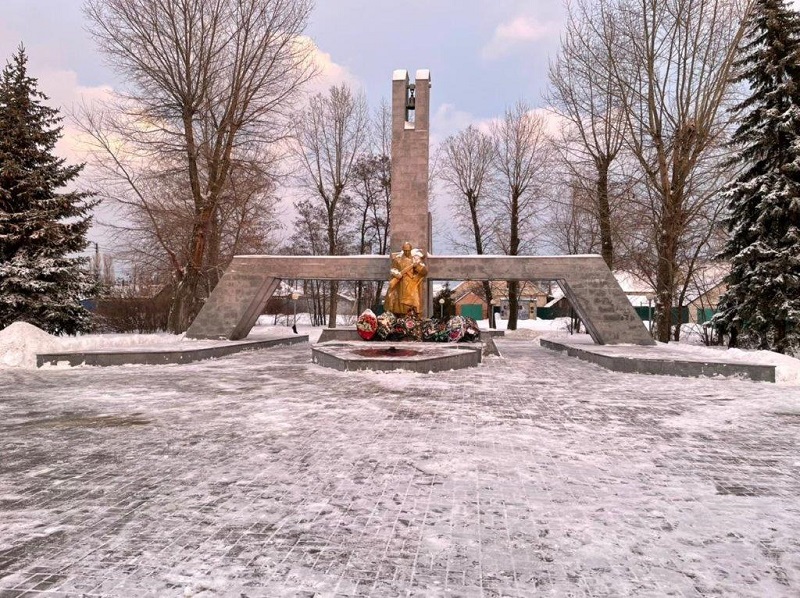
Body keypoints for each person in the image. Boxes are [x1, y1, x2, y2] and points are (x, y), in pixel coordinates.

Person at [384, 242, 427, 316]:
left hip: (413, 284)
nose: (406, 252)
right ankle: (401, 317)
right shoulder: (398, 259)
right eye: (405, 250)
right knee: (401, 303)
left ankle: (413, 316)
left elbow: (424, 272)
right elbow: (392, 269)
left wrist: (417, 266)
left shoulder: (416, 259)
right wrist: (396, 274)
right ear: (403, 250)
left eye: (408, 250)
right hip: (401, 284)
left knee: (414, 302)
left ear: (411, 249)